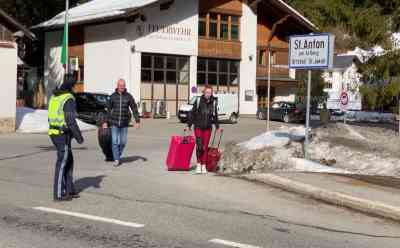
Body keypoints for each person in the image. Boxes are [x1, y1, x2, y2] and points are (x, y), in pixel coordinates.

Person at [48, 74, 84, 201]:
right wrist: (79, 137)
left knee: (69, 160)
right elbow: (70, 120)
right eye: (74, 86)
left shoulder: (55, 96)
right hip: (61, 134)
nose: (75, 89)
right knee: (62, 162)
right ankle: (58, 194)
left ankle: (69, 189)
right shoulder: (68, 99)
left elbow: (50, 116)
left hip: (55, 132)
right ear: (71, 86)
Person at [187, 85, 221, 174]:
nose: (208, 94)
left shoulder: (213, 102)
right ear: (203, 92)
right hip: (198, 126)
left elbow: (215, 115)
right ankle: (198, 164)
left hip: (208, 128)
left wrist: (217, 126)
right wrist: (189, 125)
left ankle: (203, 165)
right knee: (199, 146)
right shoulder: (198, 101)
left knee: (205, 147)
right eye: (207, 92)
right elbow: (192, 113)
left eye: (210, 93)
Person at [108, 79, 140, 167]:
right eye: (120, 85)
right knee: (114, 141)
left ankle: (116, 155)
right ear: (117, 86)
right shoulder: (112, 96)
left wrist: (137, 121)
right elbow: (108, 110)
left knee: (123, 142)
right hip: (114, 123)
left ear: (125, 86)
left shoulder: (128, 96)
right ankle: (116, 159)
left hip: (124, 123)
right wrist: (105, 122)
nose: (122, 87)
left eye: (123, 86)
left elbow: (134, 108)